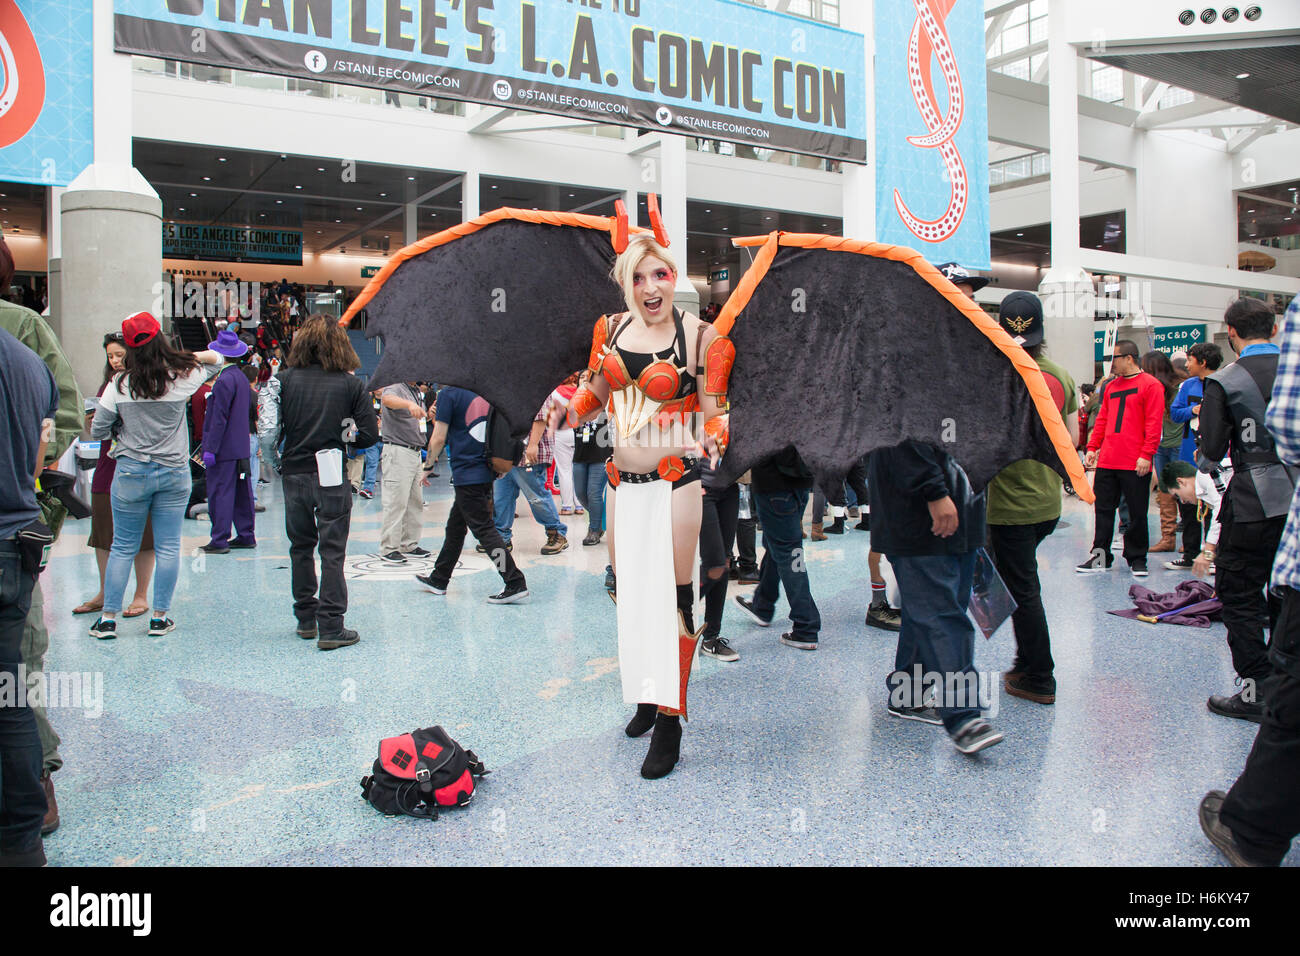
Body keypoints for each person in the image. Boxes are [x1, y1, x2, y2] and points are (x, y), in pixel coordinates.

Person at [564, 233, 727, 779]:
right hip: (619, 482)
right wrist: (574, 403)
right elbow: (590, 399)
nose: (650, 287)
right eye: (638, 277)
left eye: (660, 275)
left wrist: (706, 437)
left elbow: (714, 423)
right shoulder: (608, 330)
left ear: (674, 277)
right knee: (629, 594)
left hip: (675, 485)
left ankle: (671, 720)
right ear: (624, 283)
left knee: (674, 601)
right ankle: (644, 693)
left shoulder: (702, 338)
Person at [1199, 295, 1300, 866]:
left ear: (1233, 333)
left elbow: (1213, 450)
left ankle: (1254, 686)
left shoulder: (1226, 380)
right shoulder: (1290, 363)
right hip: (1294, 504)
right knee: (1282, 599)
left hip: (1251, 501)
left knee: (1237, 591)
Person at [1, 238, 83, 836]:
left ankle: (39, 778)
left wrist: (35, 501)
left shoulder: (22, 330)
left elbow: (67, 420)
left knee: (18, 671)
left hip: (10, 531)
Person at [89, 313, 224, 640]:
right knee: (167, 547)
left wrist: (120, 433)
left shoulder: (119, 384)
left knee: (123, 546)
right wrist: (180, 356)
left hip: (132, 471)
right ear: (160, 340)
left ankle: (108, 620)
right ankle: (160, 618)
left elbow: (98, 428)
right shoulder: (181, 375)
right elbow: (218, 359)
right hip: (174, 473)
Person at [870, 440, 1004, 753]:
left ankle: (910, 693)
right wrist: (933, 490)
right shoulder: (899, 390)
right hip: (920, 515)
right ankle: (963, 715)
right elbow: (902, 432)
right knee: (942, 616)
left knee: (935, 611)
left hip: (963, 510)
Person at [985, 291, 1078, 705]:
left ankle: (1040, 676)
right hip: (1046, 502)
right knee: (1021, 582)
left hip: (1008, 506)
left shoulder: (993, 374)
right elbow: (1072, 440)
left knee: (1023, 589)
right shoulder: (1060, 376)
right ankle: (1025, 663)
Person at [273, 315, 379, 650]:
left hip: (294, 472)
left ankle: (305, 618)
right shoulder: (350, 385)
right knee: (332, 551)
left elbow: (268, 430)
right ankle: (331, 626)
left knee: (300, 547)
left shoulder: (283, 380)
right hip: (332, 471)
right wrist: (345, 434)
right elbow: (368, 437)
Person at [0, 325, 58, 866]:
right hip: (17, 536)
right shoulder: (29, 361)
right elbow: (40, 452)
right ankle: (22, 837)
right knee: (11, 692)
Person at [415, 387, 529, 603]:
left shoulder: (449, 394)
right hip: (485, 468)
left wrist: (428, 465)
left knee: (484, 530)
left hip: (466, 472)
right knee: (456, 528)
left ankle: (514, 581)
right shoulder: (486, 391)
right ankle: (439, 578)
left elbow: (438, 437)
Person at [74, 332, 156, 619]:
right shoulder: (106, 386)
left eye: (120, 355)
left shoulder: (146, 385)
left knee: (144, 535)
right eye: (111, 356)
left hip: (137, 466)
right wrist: (92, 424)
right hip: (108, 467)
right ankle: (106, 592)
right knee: (103, 533)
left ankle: (141, 594)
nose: (116, 361)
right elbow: (98, 432)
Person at [1077, 340, 1164, 576]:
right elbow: (1103, 418)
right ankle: (1100, 557)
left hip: (1135, 460)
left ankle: (1137, 558)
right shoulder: (1111, 387)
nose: (1111, 364)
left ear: (1129, 358)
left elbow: (1154, 423)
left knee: (1136, 512)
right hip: (1108, 459)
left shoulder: (1151, 385)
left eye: (1114, 358)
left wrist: (1147, 454)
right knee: (1103, 511)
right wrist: (1093, 447)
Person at [734, 447, 822, 651]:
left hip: (773, 485)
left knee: (789, 553)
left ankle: (806, 625)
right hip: (800, 481)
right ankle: (762, 606)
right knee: (777, 544)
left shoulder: (766, 414)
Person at [1166, 342, 1224, 570]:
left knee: (1213, 507)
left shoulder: (1223, 384)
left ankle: (1211, 557)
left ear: (1203, 362)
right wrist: (1193, 410)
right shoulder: (1187, 386)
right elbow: (1175, 414)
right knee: (1188, 508)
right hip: (1188, 455)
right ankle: (1189, 554)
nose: (1186, 364)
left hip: (1214, 457)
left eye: (1190, 360)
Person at [200, 330, 257, 554]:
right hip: (241, 446)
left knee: (220, 493)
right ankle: (246, 534)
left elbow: (218, 418)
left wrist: (210, 448)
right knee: (243, 493)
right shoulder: (242, 378)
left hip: (224, 449)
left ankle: (219, 539)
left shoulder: (223, 381)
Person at [492, 399, 570, 555]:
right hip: (506, 451)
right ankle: (501, 537)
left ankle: (556, 533)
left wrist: (532, 444)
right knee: (502, 497)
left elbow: (540, 417)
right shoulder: (506, 386)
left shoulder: (533, 383)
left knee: (537, 497)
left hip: (528, 452)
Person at [378, 382, 430, 563]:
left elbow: (414, 419)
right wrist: (409, 404)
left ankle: (409, 544)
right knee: (396, 500)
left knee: (415, 501)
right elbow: (386, 399)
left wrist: (427, 416)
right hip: (398, 451)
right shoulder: (396, 387)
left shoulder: (415, 391)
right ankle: (389, 548)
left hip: (414, 452)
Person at [1141, 350, 1184, 554]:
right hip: (1159, 444)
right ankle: (1168, 538)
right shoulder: (1153, 388)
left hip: (1177, 444)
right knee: (1165, 491)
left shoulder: (1178, 388)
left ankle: (1189, 540)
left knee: (1183, 491)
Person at [1159, 459, 1226, 579]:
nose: (1183, 501)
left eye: (1178, 495)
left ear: (1181, 482)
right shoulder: (1203, 482)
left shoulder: (1206, 476)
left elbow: (1221, 511)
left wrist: (1208, 552)